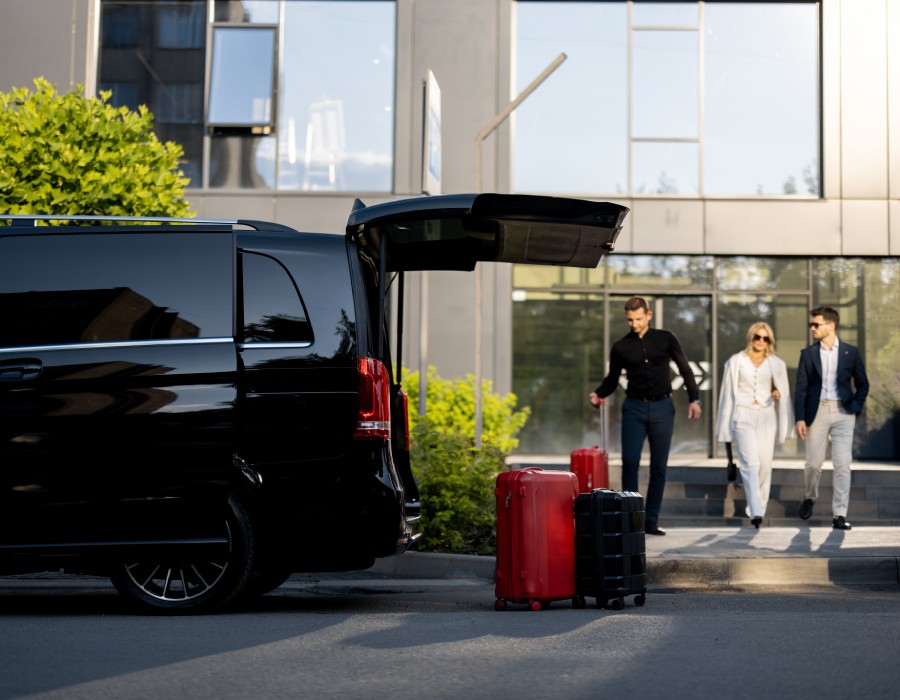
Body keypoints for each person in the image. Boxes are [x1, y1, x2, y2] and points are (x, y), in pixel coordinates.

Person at [588, 296, 701, 536]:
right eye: (630, 320)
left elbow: (684, 368)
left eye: (638, 319)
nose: (634, 324)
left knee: (659, 466)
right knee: (630, 463)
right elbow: (612, 379)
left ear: (648, 316)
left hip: (662, 407)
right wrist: (598, 394)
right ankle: (632, 521)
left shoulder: (665, 338)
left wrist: (694, 398)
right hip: (634, 408)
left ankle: (651, 521)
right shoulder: (621, 346)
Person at [795, 306, 869, 530]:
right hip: (816, 412)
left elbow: (863, 384)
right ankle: (810, 497)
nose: (812, 328)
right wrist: (799, 418)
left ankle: (839, 514)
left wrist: (855, 407)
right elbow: (801, 389)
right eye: (812, 324)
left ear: (831, 326)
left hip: (843, 413)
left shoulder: (851, 352)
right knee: (813, 464)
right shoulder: (808, 354)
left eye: (816, 324)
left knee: (842, 464)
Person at [715, 322, 794, 528]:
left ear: (770, 341)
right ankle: (756, 511)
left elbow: (782, 392)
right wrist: (724, 424)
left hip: (767, 416)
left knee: (765, 465)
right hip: (743, 414)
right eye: (757, 337)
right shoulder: (736, 361)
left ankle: (759, 506)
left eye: (765, 338)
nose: (761, 341)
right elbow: (726, 394)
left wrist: (777, 392)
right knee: (751, 464)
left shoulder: (776, 363)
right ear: (750, 338)